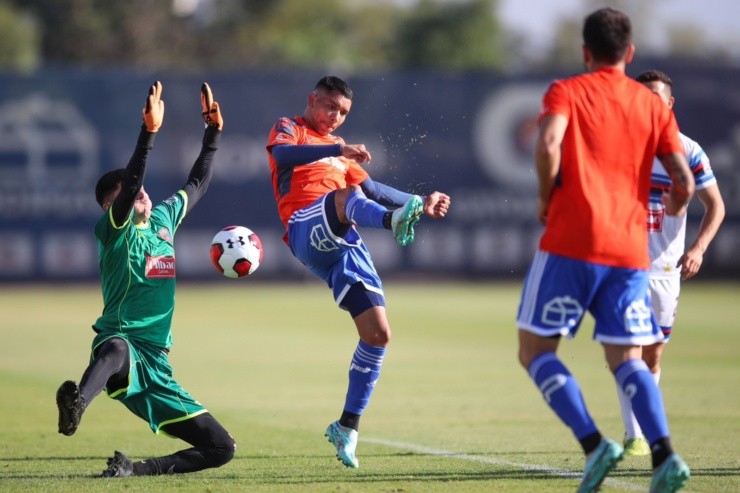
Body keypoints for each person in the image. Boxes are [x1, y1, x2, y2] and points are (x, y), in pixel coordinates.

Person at [515, 8, 695, 493]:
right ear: (629, 53)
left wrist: (545, 196)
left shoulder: (567, 90)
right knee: (629, 359)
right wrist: (676, 206)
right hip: (629, 251)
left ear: (585, 52)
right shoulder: (654, 107)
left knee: (535, 351)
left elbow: (548, 144)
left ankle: (594, 443)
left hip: (572, 240)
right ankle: (664, 454)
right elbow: (683, 181)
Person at [265, 75, 451, 468]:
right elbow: (281, 156)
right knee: (347, 196)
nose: (335, 116)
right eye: (330, 106)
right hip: (304, 228)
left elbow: (376, 190)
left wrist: (421, 201)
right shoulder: (291, 128)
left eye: (343, 112)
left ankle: (346, 426)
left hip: (344, 244)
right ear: (312, 99)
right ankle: (391, 223)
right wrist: (338, 148)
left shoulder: (341, 153)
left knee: (378, 334)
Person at [55, 81, 236, 477]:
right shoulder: (113, 231)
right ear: (110, 206)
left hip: (157, 362)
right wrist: (148, 134)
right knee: (117, 347)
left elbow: (197, 184)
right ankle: (77, 404)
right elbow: (132, 183)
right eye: (130, 192)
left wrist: (212, 135)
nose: (141, 194)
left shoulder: (162, 220)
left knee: (222, 447)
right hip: (121, 347)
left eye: (141, 190)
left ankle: (131, 470)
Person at [617, 69, 726, 457]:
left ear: (670, 103)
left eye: (656, 98)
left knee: (653, 354)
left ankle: (641, 428)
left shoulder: (688, 151)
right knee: (629, 349)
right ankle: (635, 435)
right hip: (623, 268)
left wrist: (698, 249)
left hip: (665, 272)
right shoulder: (618, 146)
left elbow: (716, 206)